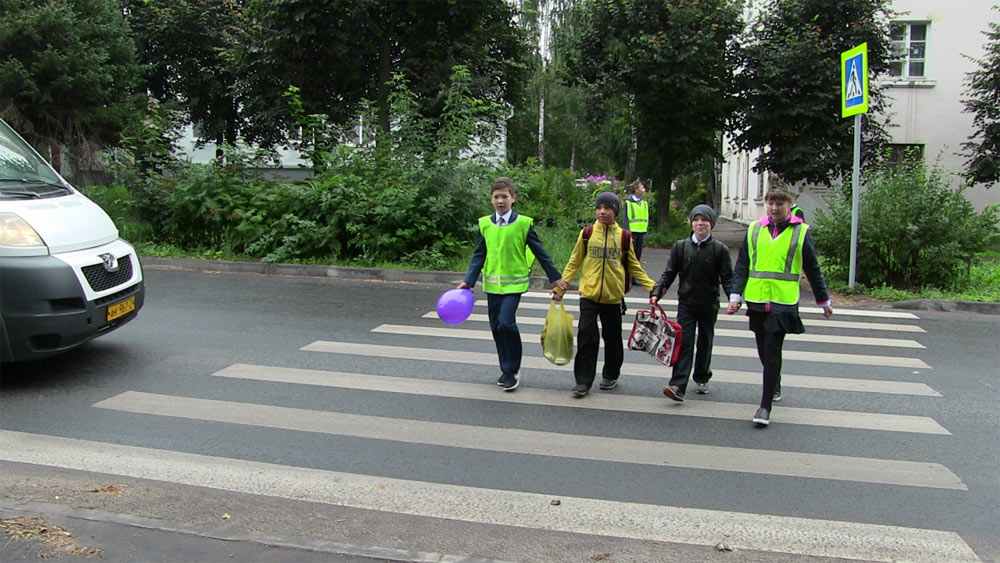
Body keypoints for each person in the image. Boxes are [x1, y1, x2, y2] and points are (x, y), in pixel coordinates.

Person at [726, 188, 833, 427]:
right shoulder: (755, 229)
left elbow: (812, 269)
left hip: (783, 301)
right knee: (763, 349)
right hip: (756, 299)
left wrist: (823, 300)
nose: (774, 208)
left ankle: (765, 406)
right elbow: (743, 263)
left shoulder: (800, 231)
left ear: (790, 204)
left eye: (780, 204)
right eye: (771, 203)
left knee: (773, 349)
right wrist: (735, 296)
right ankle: (774, 381)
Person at [459, 177, 569, 391]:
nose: (500, 201)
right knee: (496, 328)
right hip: (492, 286)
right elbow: (478, 255)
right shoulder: (485, 224)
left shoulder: (523, 224)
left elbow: (541, 253)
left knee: (505, 323)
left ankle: (513, 369)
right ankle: (505, 370)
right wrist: (468, 281)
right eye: (496, 197)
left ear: (513, 198)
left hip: (514, 286)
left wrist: (555, 277)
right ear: (491, 200)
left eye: (504, 196)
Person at [554, 191, 656, 397]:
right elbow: (574, 262)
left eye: (607, 208)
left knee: (612, 338)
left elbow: (634, 266)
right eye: (599, 208)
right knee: (587, 337)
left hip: (613, 297)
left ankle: (610, 374)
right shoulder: (587, 233)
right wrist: (560, 288)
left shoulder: (625, 237)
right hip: (589, 295)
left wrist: (653, 287)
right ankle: (583, 381)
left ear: (615, 211)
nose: (602, 212)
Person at [652, 204, 733, 402]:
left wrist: (733, 298)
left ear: (711, 224)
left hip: (709, 304)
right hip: (686, 303)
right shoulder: (681, 247)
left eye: (704, 220)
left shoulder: (719, 250)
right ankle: (678, 385)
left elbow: (727, 278)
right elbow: (669, 273)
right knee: (685, 342)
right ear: (691, 223)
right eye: (696, 220)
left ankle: (702, 376)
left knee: (705, 341)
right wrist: (656, 293)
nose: (699, 224)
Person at [623, 179, 650, 261]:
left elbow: (646, 218)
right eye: (642, 188)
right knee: (631, 254)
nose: (644, 190)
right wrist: (628, 233)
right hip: (632, 232)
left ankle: (635, 272)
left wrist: (646, 231)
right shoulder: (628, 203)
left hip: (641, 232)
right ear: (636, 190)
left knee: (638, 254)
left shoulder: (644, 203)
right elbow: (625, 219)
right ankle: (629, 272)